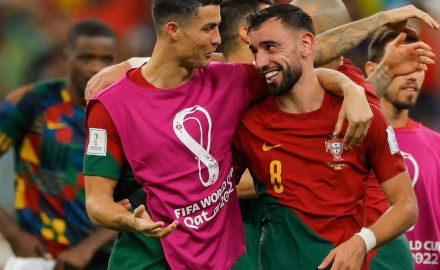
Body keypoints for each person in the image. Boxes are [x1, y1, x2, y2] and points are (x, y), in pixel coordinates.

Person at [82, 0, 377, 269]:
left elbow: (298, 59)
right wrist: (130, 221)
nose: (218, 39)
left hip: (219, 259)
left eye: (218, 27)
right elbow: (97, 203)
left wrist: (350, 88)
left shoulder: (230, 81)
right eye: (208, 28)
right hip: (148, 259)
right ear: (173, 30)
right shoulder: (111, 105)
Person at [233, 5, 419, 270]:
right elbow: (212, 190)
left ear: (307, 44)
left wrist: (361, 242)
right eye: (255, 51)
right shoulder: (249, 123)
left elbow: (407, 206)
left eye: (271, 47)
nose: (260, 62)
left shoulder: (363, 114)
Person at [0, 20, 118, 270]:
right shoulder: (31, 103)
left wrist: (87, 248)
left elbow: (140, 195)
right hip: (39, 255)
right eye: (86, 58)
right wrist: (13, 234)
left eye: (105, 59)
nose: (96, 67)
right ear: (67, 57)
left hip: (104, 257)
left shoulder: (121, 112)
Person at [364, 28, 440, 270]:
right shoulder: (353, 139)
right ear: (374, 71)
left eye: (419, 67)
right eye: (403, 64)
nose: (413, 75)